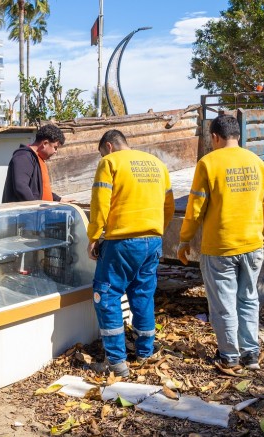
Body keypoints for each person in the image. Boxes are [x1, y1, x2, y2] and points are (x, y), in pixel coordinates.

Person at [177, 115, 264, 374]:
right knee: (249, 298)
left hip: (220, 247)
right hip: (253, 244)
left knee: (223, 303)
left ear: (215, 137)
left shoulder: (208, 163)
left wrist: (185, 240)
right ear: (238, 136)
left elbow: (195, 208)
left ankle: (230, 356)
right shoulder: (258, 163)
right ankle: (251, 353)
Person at [87, 129, 175, 377]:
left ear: (109, 146)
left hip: (122, 242)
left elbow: (100, 203)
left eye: (101, 152)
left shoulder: (110, 162)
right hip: (152, 240)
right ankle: (145, 353)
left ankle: (116, 362)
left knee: (105, 295)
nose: (102, 156)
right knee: (143, 294)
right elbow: (168, 205)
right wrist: (157, 230)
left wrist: (94, 236)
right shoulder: (157, 164)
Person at [1, 124, 64, 202]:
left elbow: (39, 191)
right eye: (55, 147)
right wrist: (35, 208)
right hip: (25, 213)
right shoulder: (23, 157)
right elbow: (21, 187)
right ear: (45, 143)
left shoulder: (37, 159)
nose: (55, 152)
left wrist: (58, 199)